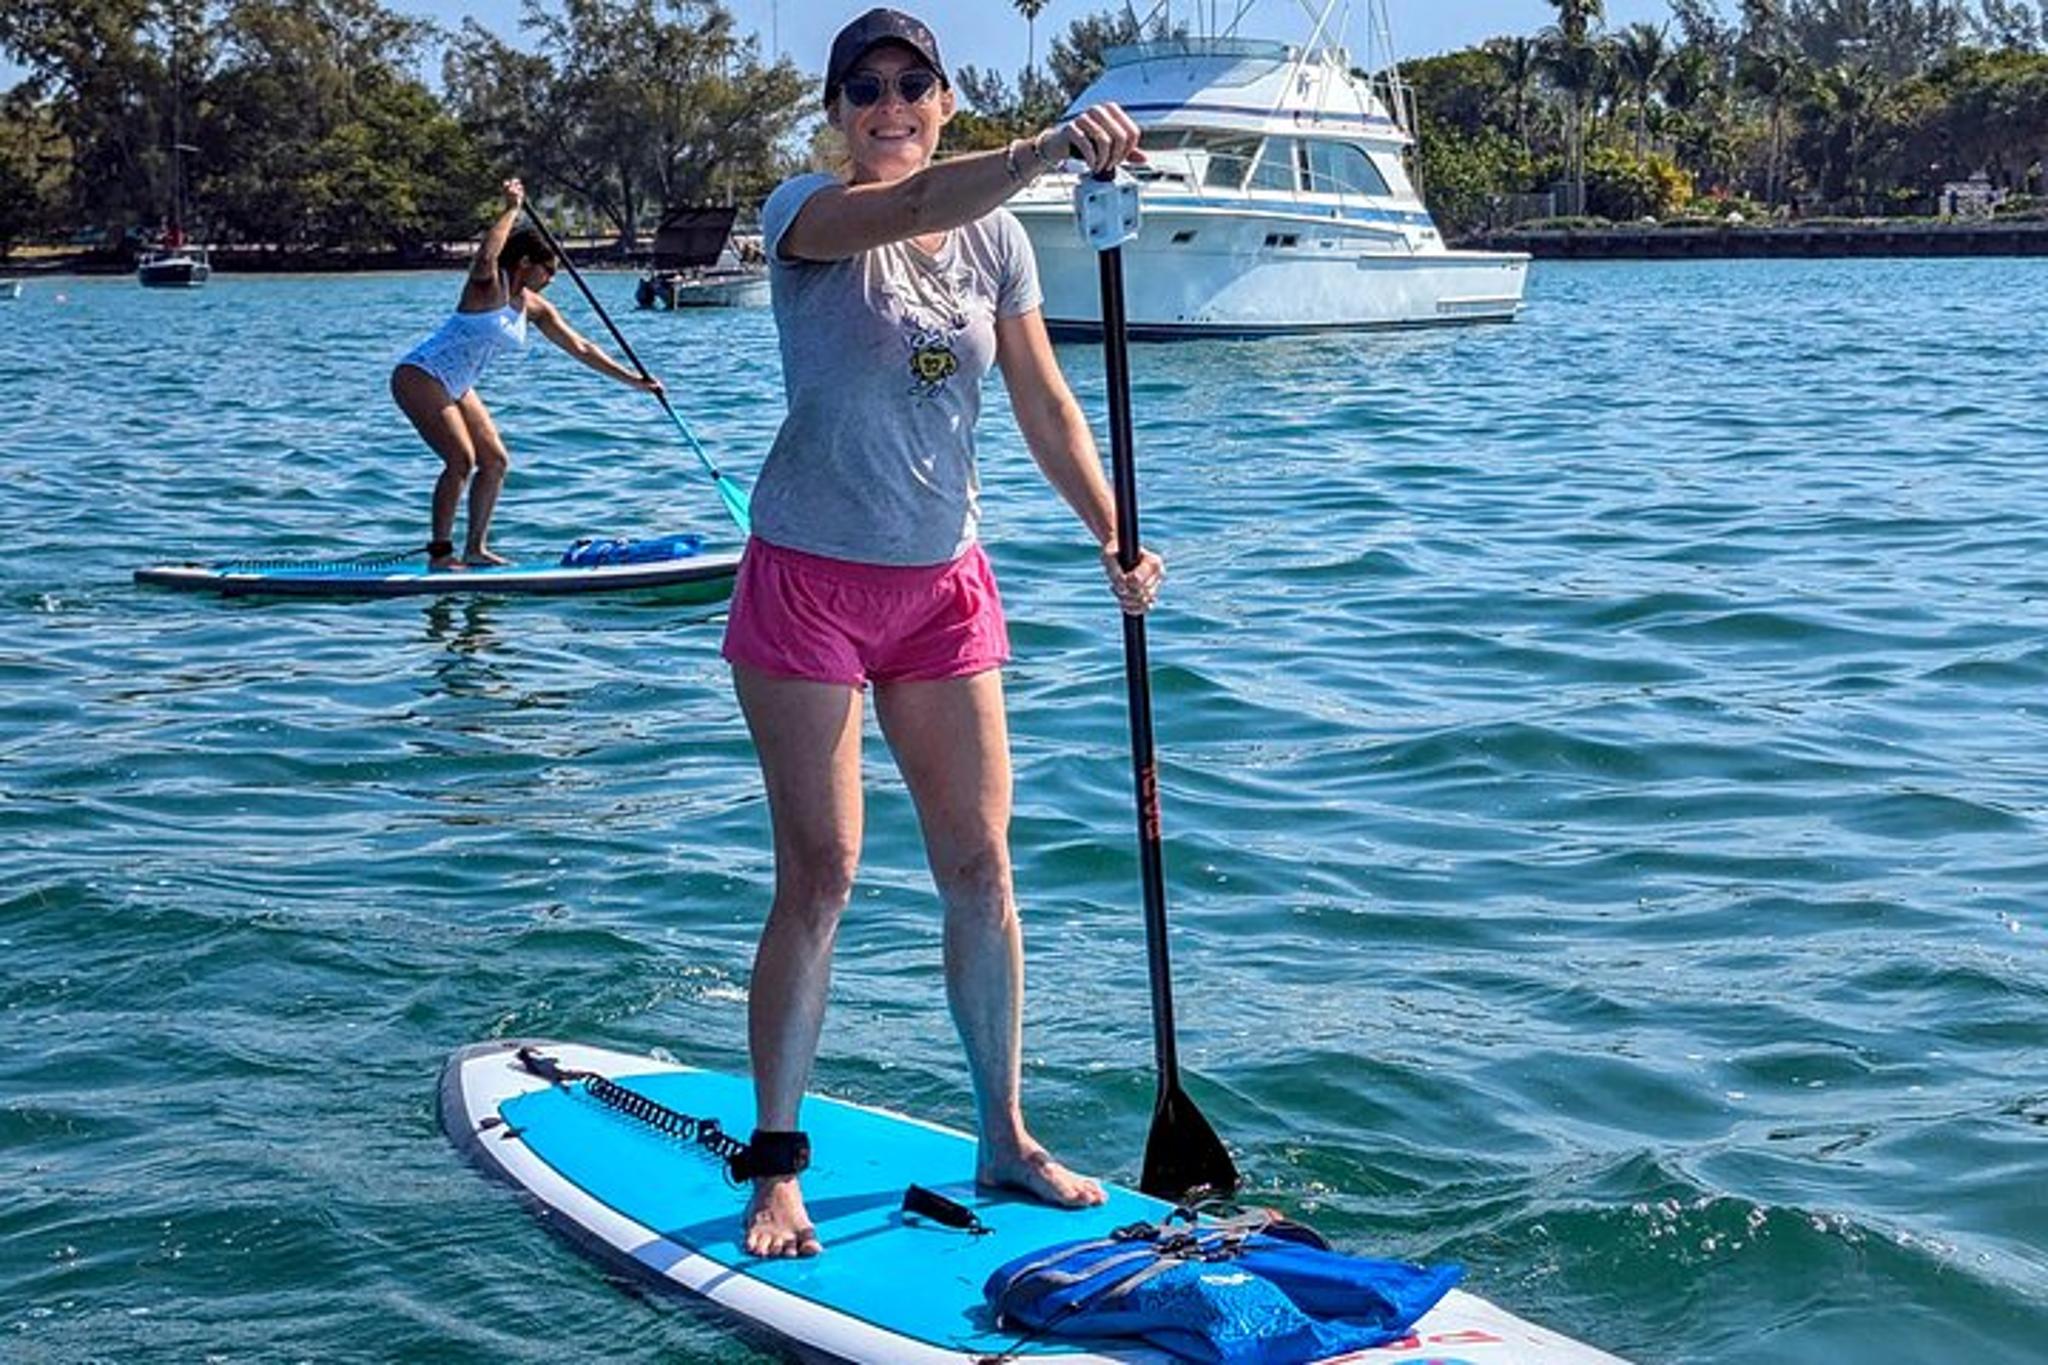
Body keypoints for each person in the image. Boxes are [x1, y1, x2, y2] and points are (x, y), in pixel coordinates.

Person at [722, 7, 1163, 1259]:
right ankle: (777, 1166)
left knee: (981, 868)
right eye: (863, 87)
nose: (887, 103)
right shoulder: (801, 214)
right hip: (805, 583)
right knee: (822, 876)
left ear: (943, 98)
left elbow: (1044, 403)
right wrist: (1046, 146)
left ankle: (1003, 1136)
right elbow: (905, 214)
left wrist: (1112, 534)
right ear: (837, 110)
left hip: (941, 589)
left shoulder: (1001, 243)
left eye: (911, 82)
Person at [391, 178, 662, 570]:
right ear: (524, 264)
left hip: (457, 383)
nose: (552, 279)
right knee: (460, 459)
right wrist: (511, 208)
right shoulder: (488, 285)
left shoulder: (533, 306)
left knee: (496, 461)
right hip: (420, 374)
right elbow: (486, 257)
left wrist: (636, 382)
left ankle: (475, 549)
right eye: (548, 270)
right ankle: (440, 554)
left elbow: (581, 347)